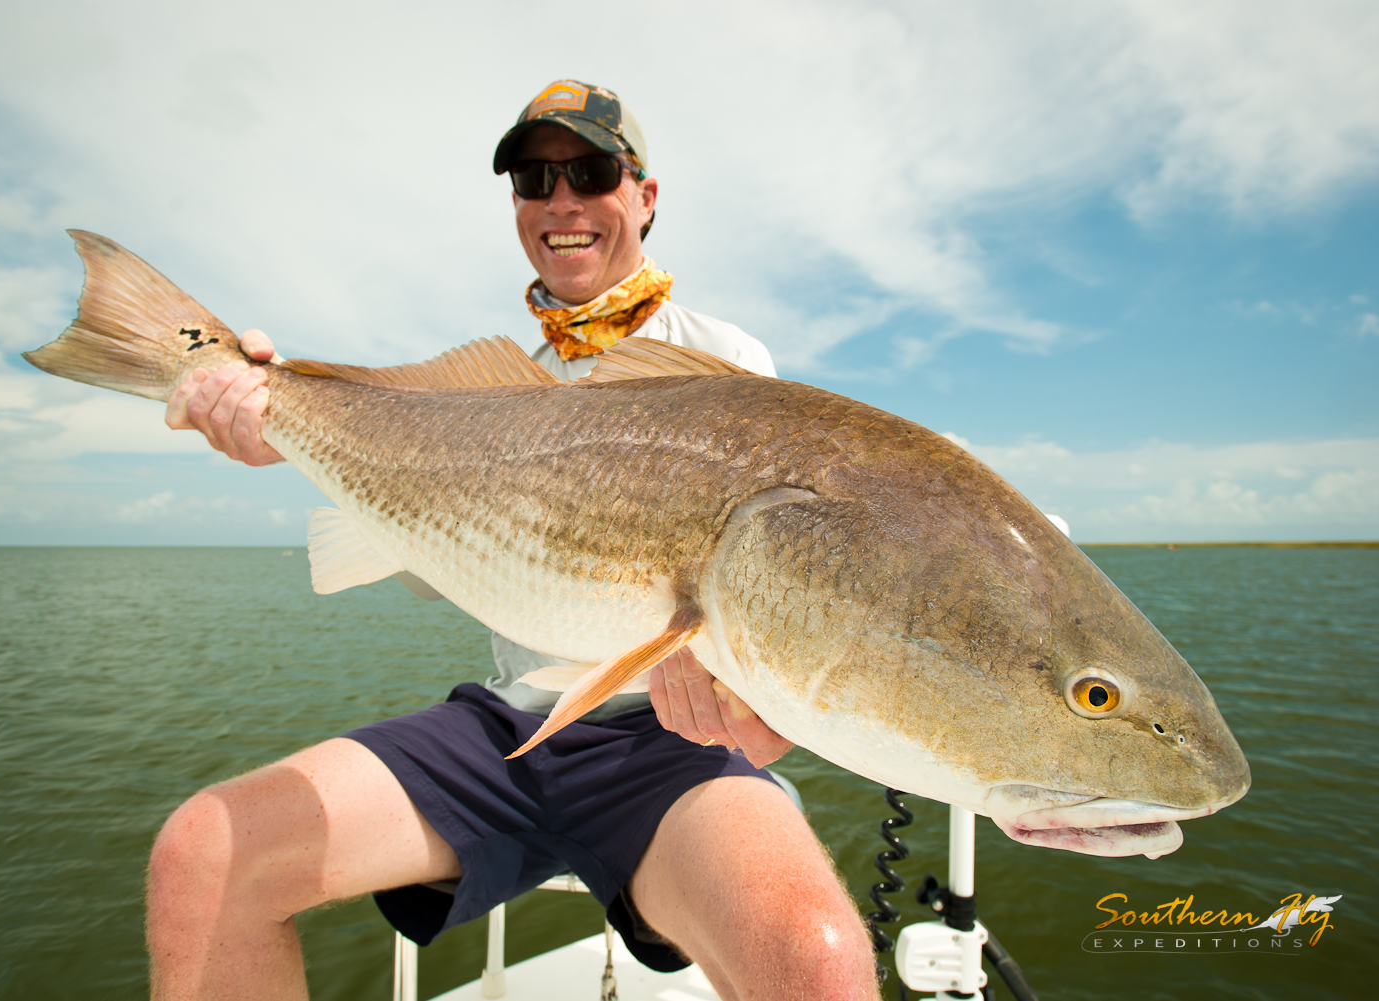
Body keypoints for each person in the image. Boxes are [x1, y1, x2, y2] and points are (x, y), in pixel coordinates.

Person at [148, 80, 876, 1001]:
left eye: (591, 171)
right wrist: (265, 406)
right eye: (534, 180)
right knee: (204, 851)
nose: (562, 200)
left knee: (819, 965)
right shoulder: (482, 394)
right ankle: (164, 333)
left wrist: (766, 705)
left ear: (645, 196)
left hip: (668, 743)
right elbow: (425, 564)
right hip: (506, 729)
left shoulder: (729, 361)